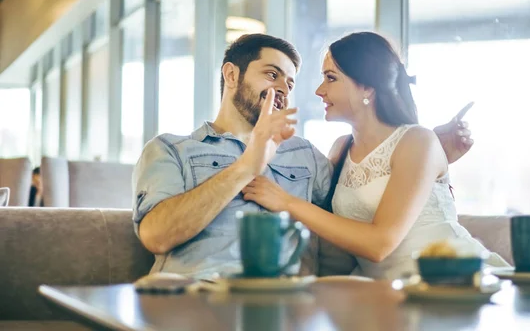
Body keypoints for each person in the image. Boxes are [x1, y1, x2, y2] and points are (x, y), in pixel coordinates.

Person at [132, 33, 473, 279]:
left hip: (287, 301)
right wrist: (247, 166)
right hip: (195, 293)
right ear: (231, 75)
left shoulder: (306, 156)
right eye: (271, 74)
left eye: (290, 82)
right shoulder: (171, 149)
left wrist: (434, 159)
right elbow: (156, 236)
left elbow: (366, 210)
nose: (283, 87)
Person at [242, 32, 508, 279]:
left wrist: (287, 203)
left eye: (331, 78)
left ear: (368, 87)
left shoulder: (418, 141)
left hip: (460, 282)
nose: (319, 90)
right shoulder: (340, 148)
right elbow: (335, 233)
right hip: (387, 293)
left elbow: (380, 244)